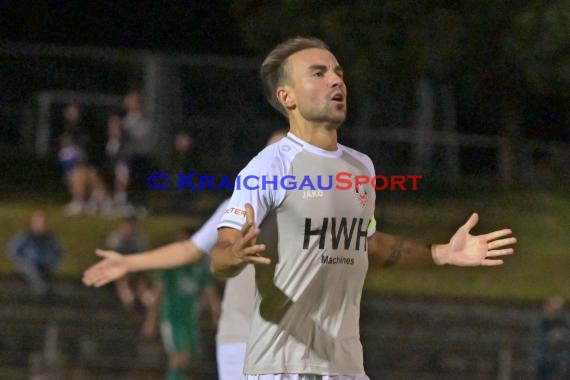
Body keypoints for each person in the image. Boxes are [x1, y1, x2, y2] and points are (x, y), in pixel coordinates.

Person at [210, 36, 518, 380]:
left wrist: (441, 253)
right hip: (285, 367)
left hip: (346, 367)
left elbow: (367, 243)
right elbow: (221, 252)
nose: (336, 80)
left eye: (337, 72)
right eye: (318, 73)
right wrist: (233, 255)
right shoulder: (268, 166)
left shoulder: (361, 167)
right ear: (288, 96)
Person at [83, 130, 288, 379]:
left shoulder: (322, 210)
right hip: (241, 336)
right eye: (271, 154)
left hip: (294, 341)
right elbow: (189, 249)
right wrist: (130, 262)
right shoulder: (236, 206)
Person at [145, 227, 221, 380]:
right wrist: (151, 319)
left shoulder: (200, 267)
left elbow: (210, 293)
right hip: (172, 317)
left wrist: (216, 315)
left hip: (190, 319)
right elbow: (157, 293)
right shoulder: (170, 267)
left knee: (187, 359)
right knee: (179, 356)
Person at [6, 210, 63, 296]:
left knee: (45, 270)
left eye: (43, 222)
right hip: (27, 264)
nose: (41, 225)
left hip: (44, 265)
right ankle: (43, 290)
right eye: (39, 222)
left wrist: (51, 261)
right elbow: (12, 251)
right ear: (33, 223)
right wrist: (21, 261)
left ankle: (43, 289)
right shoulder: (25, 236)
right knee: (31, 270)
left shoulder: (50, 238)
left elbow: (58, 252)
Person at [105, 215, 150, 309]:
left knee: (139, 281)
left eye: (129, 226)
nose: (127, 228)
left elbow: (143, 253)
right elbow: (111, 254)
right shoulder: (114, 237)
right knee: (121, 278)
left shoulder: (140, 238)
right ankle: (128, 299)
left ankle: (145, 298)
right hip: (119, 266)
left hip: (135, 265)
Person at [534, 295, 569, 380]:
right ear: (547, 307)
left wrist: (562, 336)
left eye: (559, 310)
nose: (557, 313)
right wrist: (551, 336)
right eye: (555, 310)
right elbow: (536, 336)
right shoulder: (541, 321)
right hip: (542, 360)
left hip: (559, 359)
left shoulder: (563, 322)